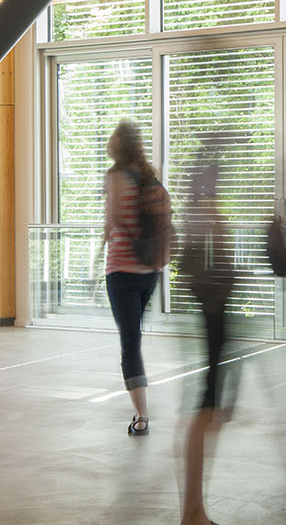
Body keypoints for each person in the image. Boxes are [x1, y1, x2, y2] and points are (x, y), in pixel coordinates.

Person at [177, 139, 236, 525]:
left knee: (211, 410)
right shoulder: (203, 211)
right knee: (206, 410)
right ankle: (192, 513)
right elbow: (219, 253)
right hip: (212, 313)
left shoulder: (198, 210)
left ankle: (194, 510)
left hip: (214, 313)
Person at [103, 119, 171, 435]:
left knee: (130, 343)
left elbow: (114, 218)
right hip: (150, 271)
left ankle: (141, 415)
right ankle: (141, 408)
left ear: (119, 143)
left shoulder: (116, 176)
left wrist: (110, 233)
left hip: (121, 270)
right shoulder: (148, 175)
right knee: (135, 337)